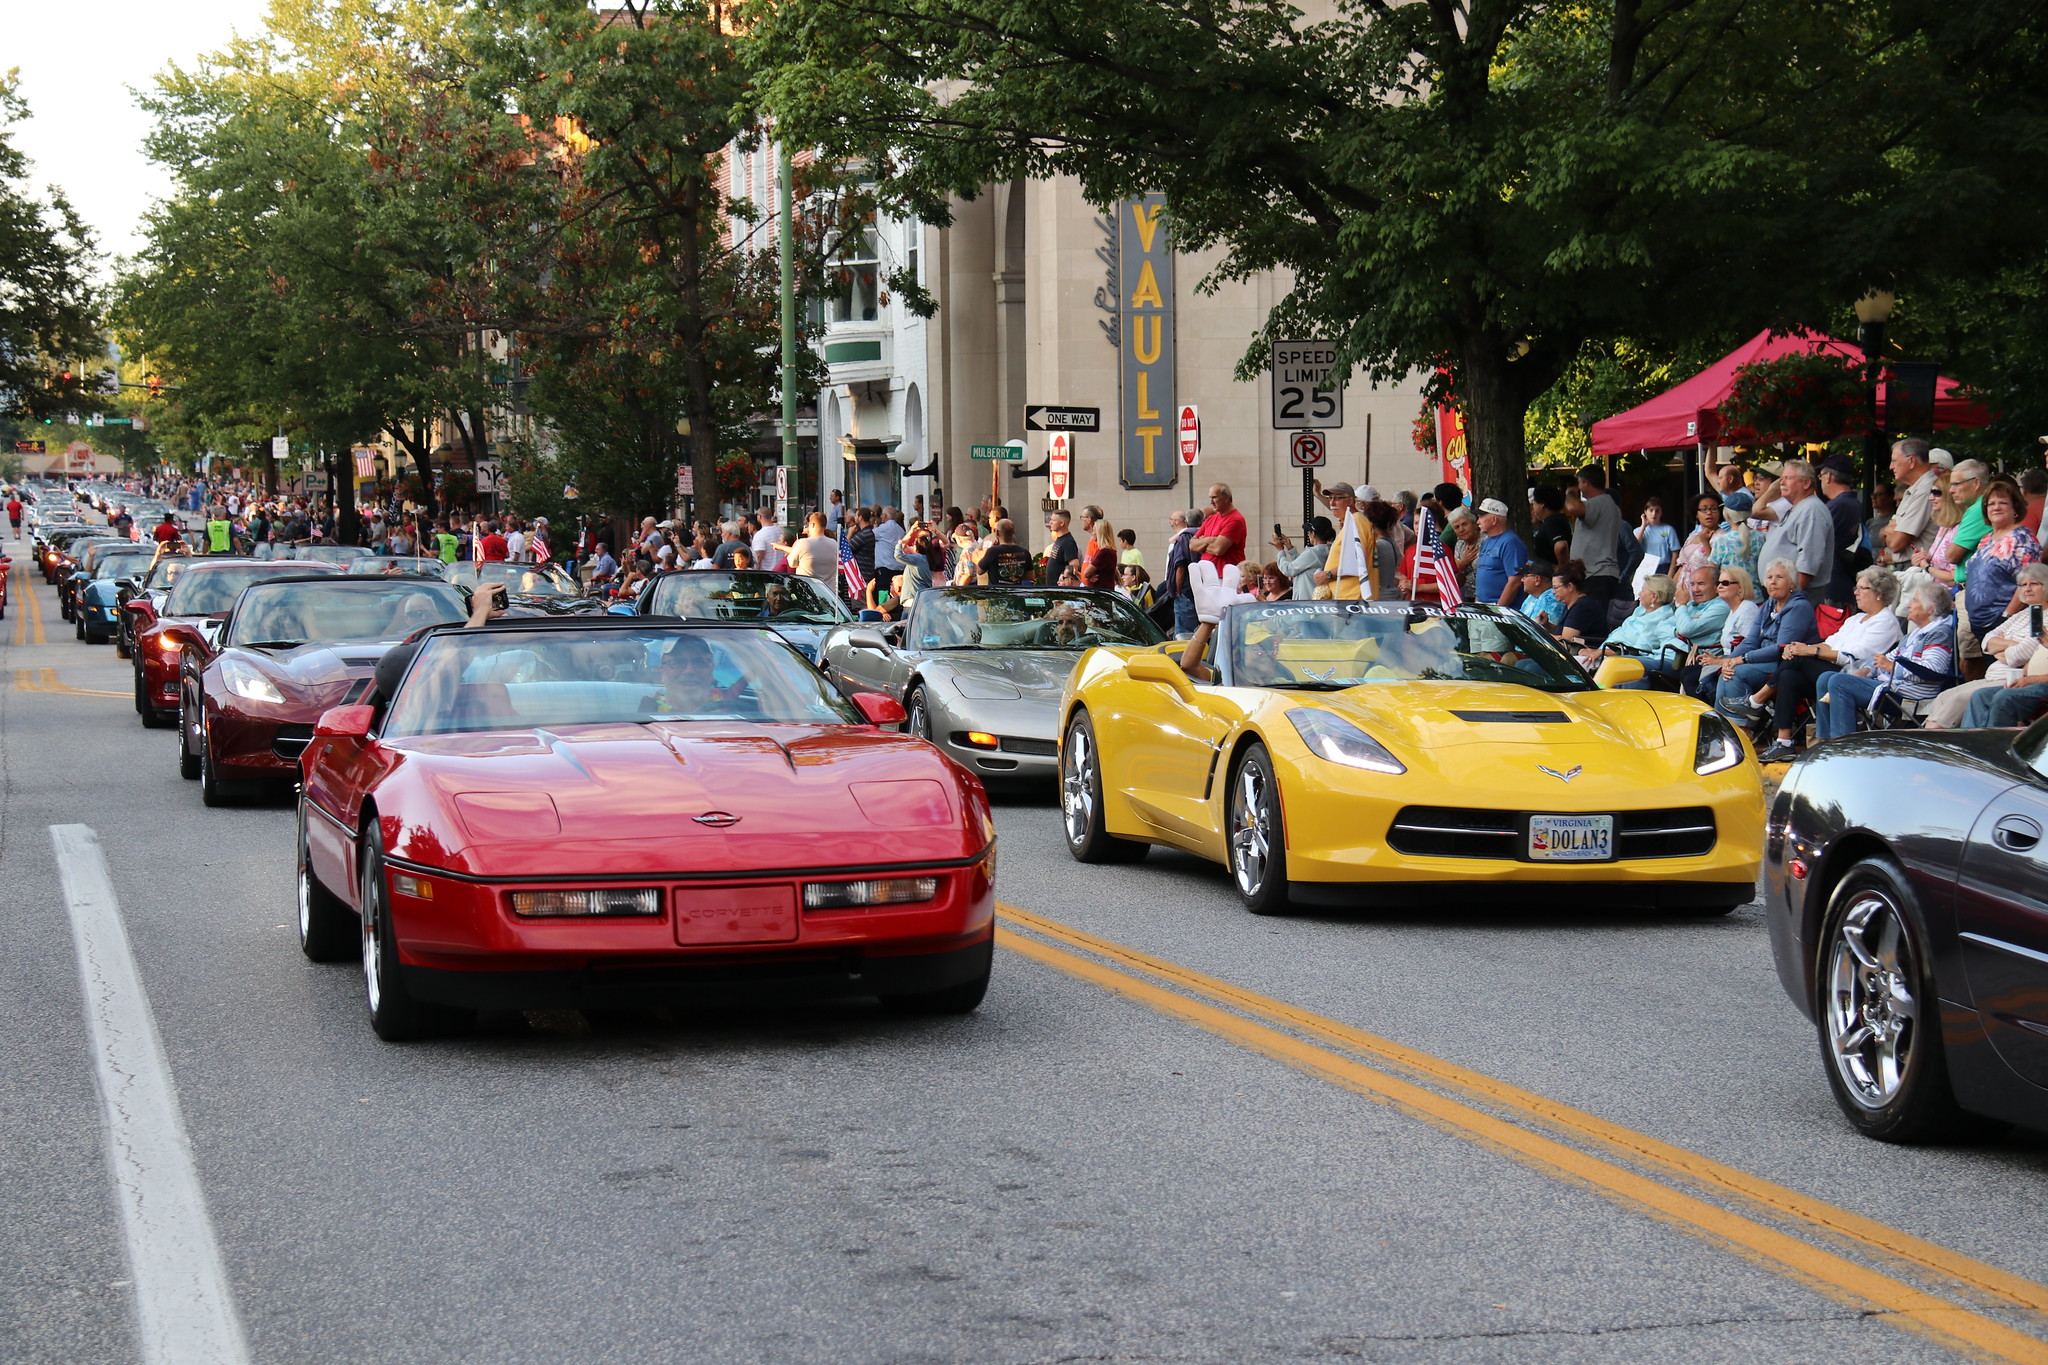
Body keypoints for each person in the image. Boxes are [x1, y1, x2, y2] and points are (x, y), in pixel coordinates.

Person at [1753, 566, 1904, 761]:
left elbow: (1854, 655)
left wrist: (1809, 651)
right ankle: (1784, 742)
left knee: (1798, 659)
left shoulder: (1885, 621)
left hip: (1854, 675)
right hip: (1831, 671)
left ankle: (1756, 701)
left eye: (1862, 588)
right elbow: (1830, 642)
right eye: (1856, 588)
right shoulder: (1856, 619)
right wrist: (1800, 647)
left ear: (1879, 594)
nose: (1855, 592)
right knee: (1789, 673)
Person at [1817, 583, 1957, 739]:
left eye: (1915, 600)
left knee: (1839, 682)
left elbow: (1932, 670)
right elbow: (1886, 658)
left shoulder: (1939, 633)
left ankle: (1842, 747)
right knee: (1825, 678)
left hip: (1909, 697)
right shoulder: (1913, 635)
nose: (1909, 604)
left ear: (1930, 609)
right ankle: (1825, 741)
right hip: (1892, 688)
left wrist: (1892, 667)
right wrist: (1867, 670)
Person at [1924, 563, 2048, 728]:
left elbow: (2020, 655)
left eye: (2034, 584)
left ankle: (1965, 746)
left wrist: (2000, 648)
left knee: (1962, 699)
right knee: (1944, 697)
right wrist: (2010, 646)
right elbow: (1987, 641)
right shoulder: (2025, 614)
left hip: (2010, 677)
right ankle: (1954, 747)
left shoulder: (2040, 616)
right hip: (1995, 675)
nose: (2027, 589)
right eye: (2023, 585)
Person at [1714, 560, 1821, 728]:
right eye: (1769, 577)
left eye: (1779, 577)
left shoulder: (1798, 607)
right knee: (1725, 673)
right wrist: (1729, 661)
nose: (1773, 581)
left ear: (1792, 583)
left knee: (1736, 673)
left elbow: (1781, 648)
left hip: (1787, 664)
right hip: (1764, 660)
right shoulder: (1768, 605)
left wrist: (1742, 659)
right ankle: (1723, 729)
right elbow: (1751, 640)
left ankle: (1744, 730)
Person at [1956, 479, 2040, 644]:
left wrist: (2006, 616)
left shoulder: (2022, 538)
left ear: (2015, 509)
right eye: (1991, 504)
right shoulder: (1985, 539)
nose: (1996, 507)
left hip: (2005, 624)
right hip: (1979, 624)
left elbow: (2030, 583)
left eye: (2003, 503)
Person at [1758, 459, 1834, 605]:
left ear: (1806, 483)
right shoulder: (1798, 507)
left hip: (1797, 597)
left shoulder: (1812, 509)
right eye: (1782, 478)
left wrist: (1791, 599)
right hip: (1783, 596)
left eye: (1788, 478)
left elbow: (1809, 560)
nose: (1781, 482)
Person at [1582, 575, 1677, 673]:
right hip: (1603, 657)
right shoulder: (1640, 611)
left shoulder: (1659, 620)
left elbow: (1637, 652)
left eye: (1643, 590)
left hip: (1616, 664)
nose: (1640, 593)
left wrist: (1601, 652)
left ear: (1654, 597)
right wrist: (1596, 651)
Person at [1881, 438, 1942, 566]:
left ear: (1911, 461)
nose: (1891, 466)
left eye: (1894, 461)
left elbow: (1896, 544)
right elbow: (1883, 537)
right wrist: (1889, 531)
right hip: (1907, 565)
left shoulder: (1926, 490)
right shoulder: (1914, 489)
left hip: (1917, 567)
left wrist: (1889, 531)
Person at [1569, 465, 1625, 605]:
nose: (1579, 487)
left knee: (1591, 618)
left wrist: (1570, 493)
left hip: (1596, 573)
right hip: (1600, 573)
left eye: (1580, 483)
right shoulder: (1610, 505)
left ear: (1586, 483)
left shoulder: (1598, 502)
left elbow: (1573, 507)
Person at [1818, 457, 1867, 607]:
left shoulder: (1838, 505)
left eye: (1820, 476)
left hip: (1834, 582)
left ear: (1828, 477)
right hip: (1844, 579)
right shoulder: (1853, 503)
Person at [1472, 498, 1527, 606]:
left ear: (1494, 520)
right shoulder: (1487, 541)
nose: (1478, 521)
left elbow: (1515, 581)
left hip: (1501, 610)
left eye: (1481, 517)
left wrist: (1499, 611)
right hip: (1484, 607)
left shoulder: (1510, 543)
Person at [1549, 560, 1608, 646]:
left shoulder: (1582, 606)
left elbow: (1565, 643)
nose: (1553, 592)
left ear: (1570, 586)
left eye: (1556, 587)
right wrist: (1547, 624)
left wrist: (1540, 635)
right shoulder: (1571, 604)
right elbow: (1565, 630)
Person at [1272, 517, 1333, 599]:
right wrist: (1290, 548)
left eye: (1309, 532)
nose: (1308, 534)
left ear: (1313, 533)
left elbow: (1289, 570)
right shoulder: (1326, 550)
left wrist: (1280, 551)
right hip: (1315, 600)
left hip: (1306, 603)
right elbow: (1303, 566)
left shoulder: (1313, 553)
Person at [1194, 482, 1248, 571]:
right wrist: (1209, 540)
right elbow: (1192, 545)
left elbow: (1218, 550)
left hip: (1225, 576)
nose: (1211, 502)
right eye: (1210, 498)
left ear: (1226, 498)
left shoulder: (1235, 519)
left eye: (1214, 497)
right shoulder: (1210, 519)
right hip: (1207, 574)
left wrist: (1202, 543)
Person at [1162, 509, 1200, 635]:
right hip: (1197, 591)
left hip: (1185, 592)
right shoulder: (1202, 537)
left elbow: (1180, 566)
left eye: (1171, 519)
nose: (1170, 522)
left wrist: (1177, 591)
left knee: (1184, 633)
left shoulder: (1183, 539)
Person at [787, 513, 839, 593]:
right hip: (829, 594)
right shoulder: (834, 544)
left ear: (812, 524)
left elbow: (792, 563)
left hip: (807, 593)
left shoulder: (802, 543)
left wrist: (796, 543)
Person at [978, 519, 1035, 586]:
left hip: (997, 593)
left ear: (997, 532)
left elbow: (979, 571)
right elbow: (1031, 576)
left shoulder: (993, 551)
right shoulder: (1025, 552)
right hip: (1016, 592)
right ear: (1014, 532)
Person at [1635, 498, 1681, 575]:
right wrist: (1643, 526)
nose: (1654, 514)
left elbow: (1675, 553)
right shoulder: (1638, 531)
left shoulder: (1668, 530)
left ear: (1661, 513)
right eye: (1651, 510)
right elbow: (1635, 546)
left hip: (1663, 568)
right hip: (1644, 567)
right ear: (1645, 512)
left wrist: (1670, 574)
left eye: (1657, 511)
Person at [1528, 485, 1572, 567]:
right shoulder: (1553, 521)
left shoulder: (1553, 522)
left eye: (1534, 503)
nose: (1533, 507)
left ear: (1542, 505)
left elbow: (1561, 546)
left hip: (1550, 576)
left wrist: (1562, 569)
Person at [1509, 561, 1562, 627]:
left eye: (1525, 576)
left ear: (1537, 580)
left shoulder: (1551, 599)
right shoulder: (1532, 596)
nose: (1522, 580)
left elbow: (1543, 631)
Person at [1042, 510, 1079, 584]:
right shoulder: (1060, 539)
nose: (1050, 522)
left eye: (1053, 520)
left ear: (1062, 523)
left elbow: (1074, 565)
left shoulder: (1068, 542)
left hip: (1059, 589)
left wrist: (1064, 577)